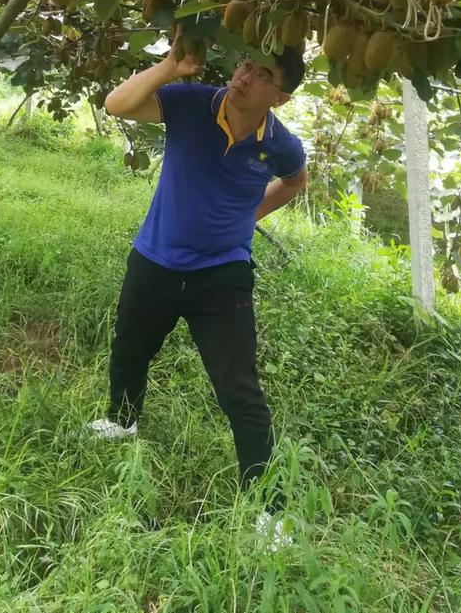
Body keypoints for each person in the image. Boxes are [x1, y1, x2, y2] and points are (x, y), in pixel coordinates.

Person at [90, 41, 307, 546]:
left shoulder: (281, 144)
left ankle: (269, 510)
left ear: (280, 96)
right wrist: (170, 66)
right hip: (156, 258)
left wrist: (248, 217)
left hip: (221, 274)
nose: (246, 74)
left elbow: (296, 182)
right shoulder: (191, 102)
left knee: (240, 389)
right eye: (246, 62)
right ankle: (122, 421)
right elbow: (117, 105)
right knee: (130, 347)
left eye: (263, 73)